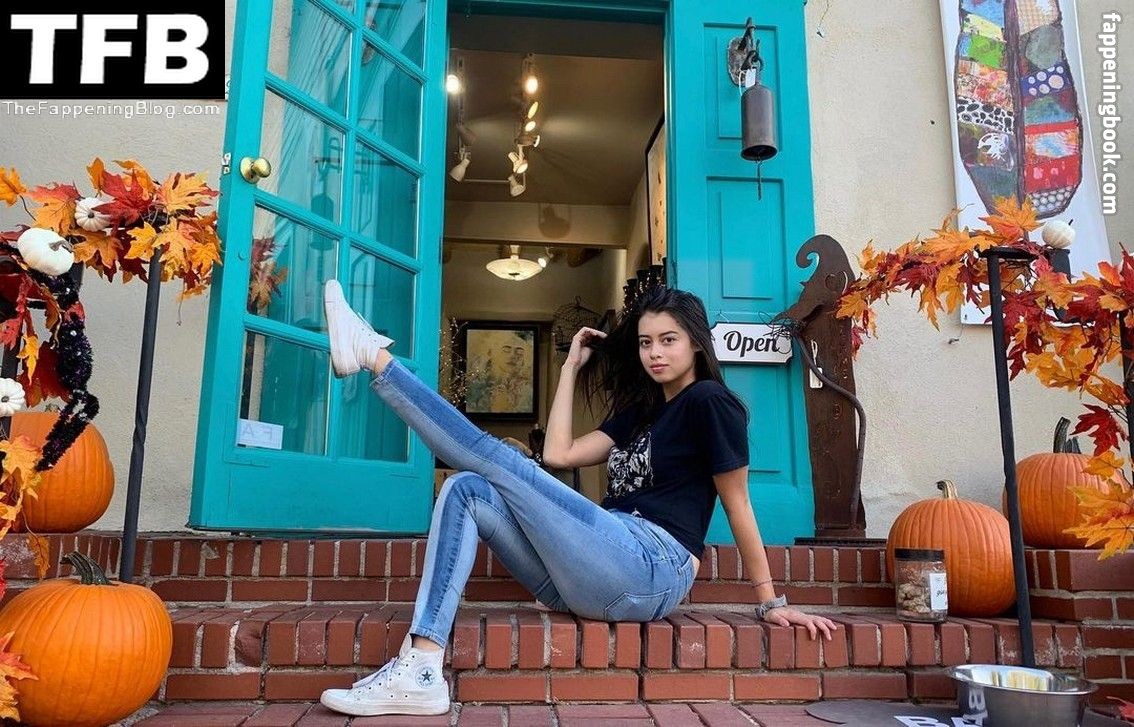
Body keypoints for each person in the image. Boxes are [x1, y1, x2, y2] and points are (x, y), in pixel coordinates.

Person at [318, 281, 836, 718]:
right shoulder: (643, 412)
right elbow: (560, 453)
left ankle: (375, 357)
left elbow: (738, 503)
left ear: (697, 344)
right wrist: (570, 367)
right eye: (645, 342)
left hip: (651, 565)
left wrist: (771, 603)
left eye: (668, 341)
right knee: (466, 488)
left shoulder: (711, 403)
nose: (654, 353)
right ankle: (423, 666)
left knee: (501, 462)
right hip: (592, 571)